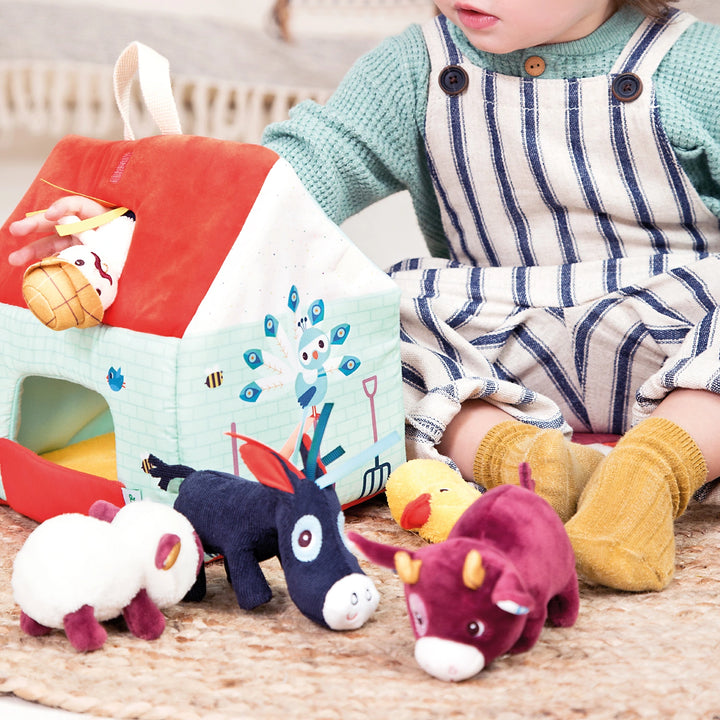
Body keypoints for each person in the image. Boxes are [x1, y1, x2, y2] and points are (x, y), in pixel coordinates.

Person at [9, 0, 720, 593]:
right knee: (359, 328)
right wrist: (131, 225)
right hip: (496, 342)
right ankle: (522, 461)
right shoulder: (419, 65)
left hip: (674, 332)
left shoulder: (694, 67)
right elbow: (294, 179)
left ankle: (651, 472)